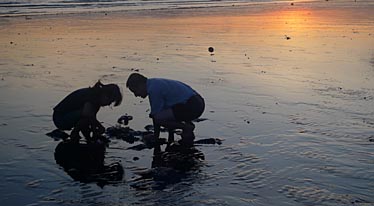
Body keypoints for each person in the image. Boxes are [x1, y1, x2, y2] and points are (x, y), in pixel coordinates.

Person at [126, 73, 205, 147]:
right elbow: (168, 109)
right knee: (164, 114)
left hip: (192, 106)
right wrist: (171, 135)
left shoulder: (154, 89)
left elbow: (156, 116)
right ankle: (187, 128)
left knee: (158, 118)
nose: (136, 95)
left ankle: (186, 127)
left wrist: (155, 137)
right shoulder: (155, 83)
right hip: (198, 102)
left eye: (135, 91)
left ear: (140, 85)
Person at [53, 81, 122, 143]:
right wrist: (99, 126)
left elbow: (90, 120)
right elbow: (87, 115)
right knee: (87, 116)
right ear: (105, 94)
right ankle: (74, 133)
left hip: (66, 116)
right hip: (60, 118)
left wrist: (93, 134)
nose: (109, 104)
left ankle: (80, 135)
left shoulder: (96, 100)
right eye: (110, 101)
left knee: (88, 119)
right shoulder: (91, 95)